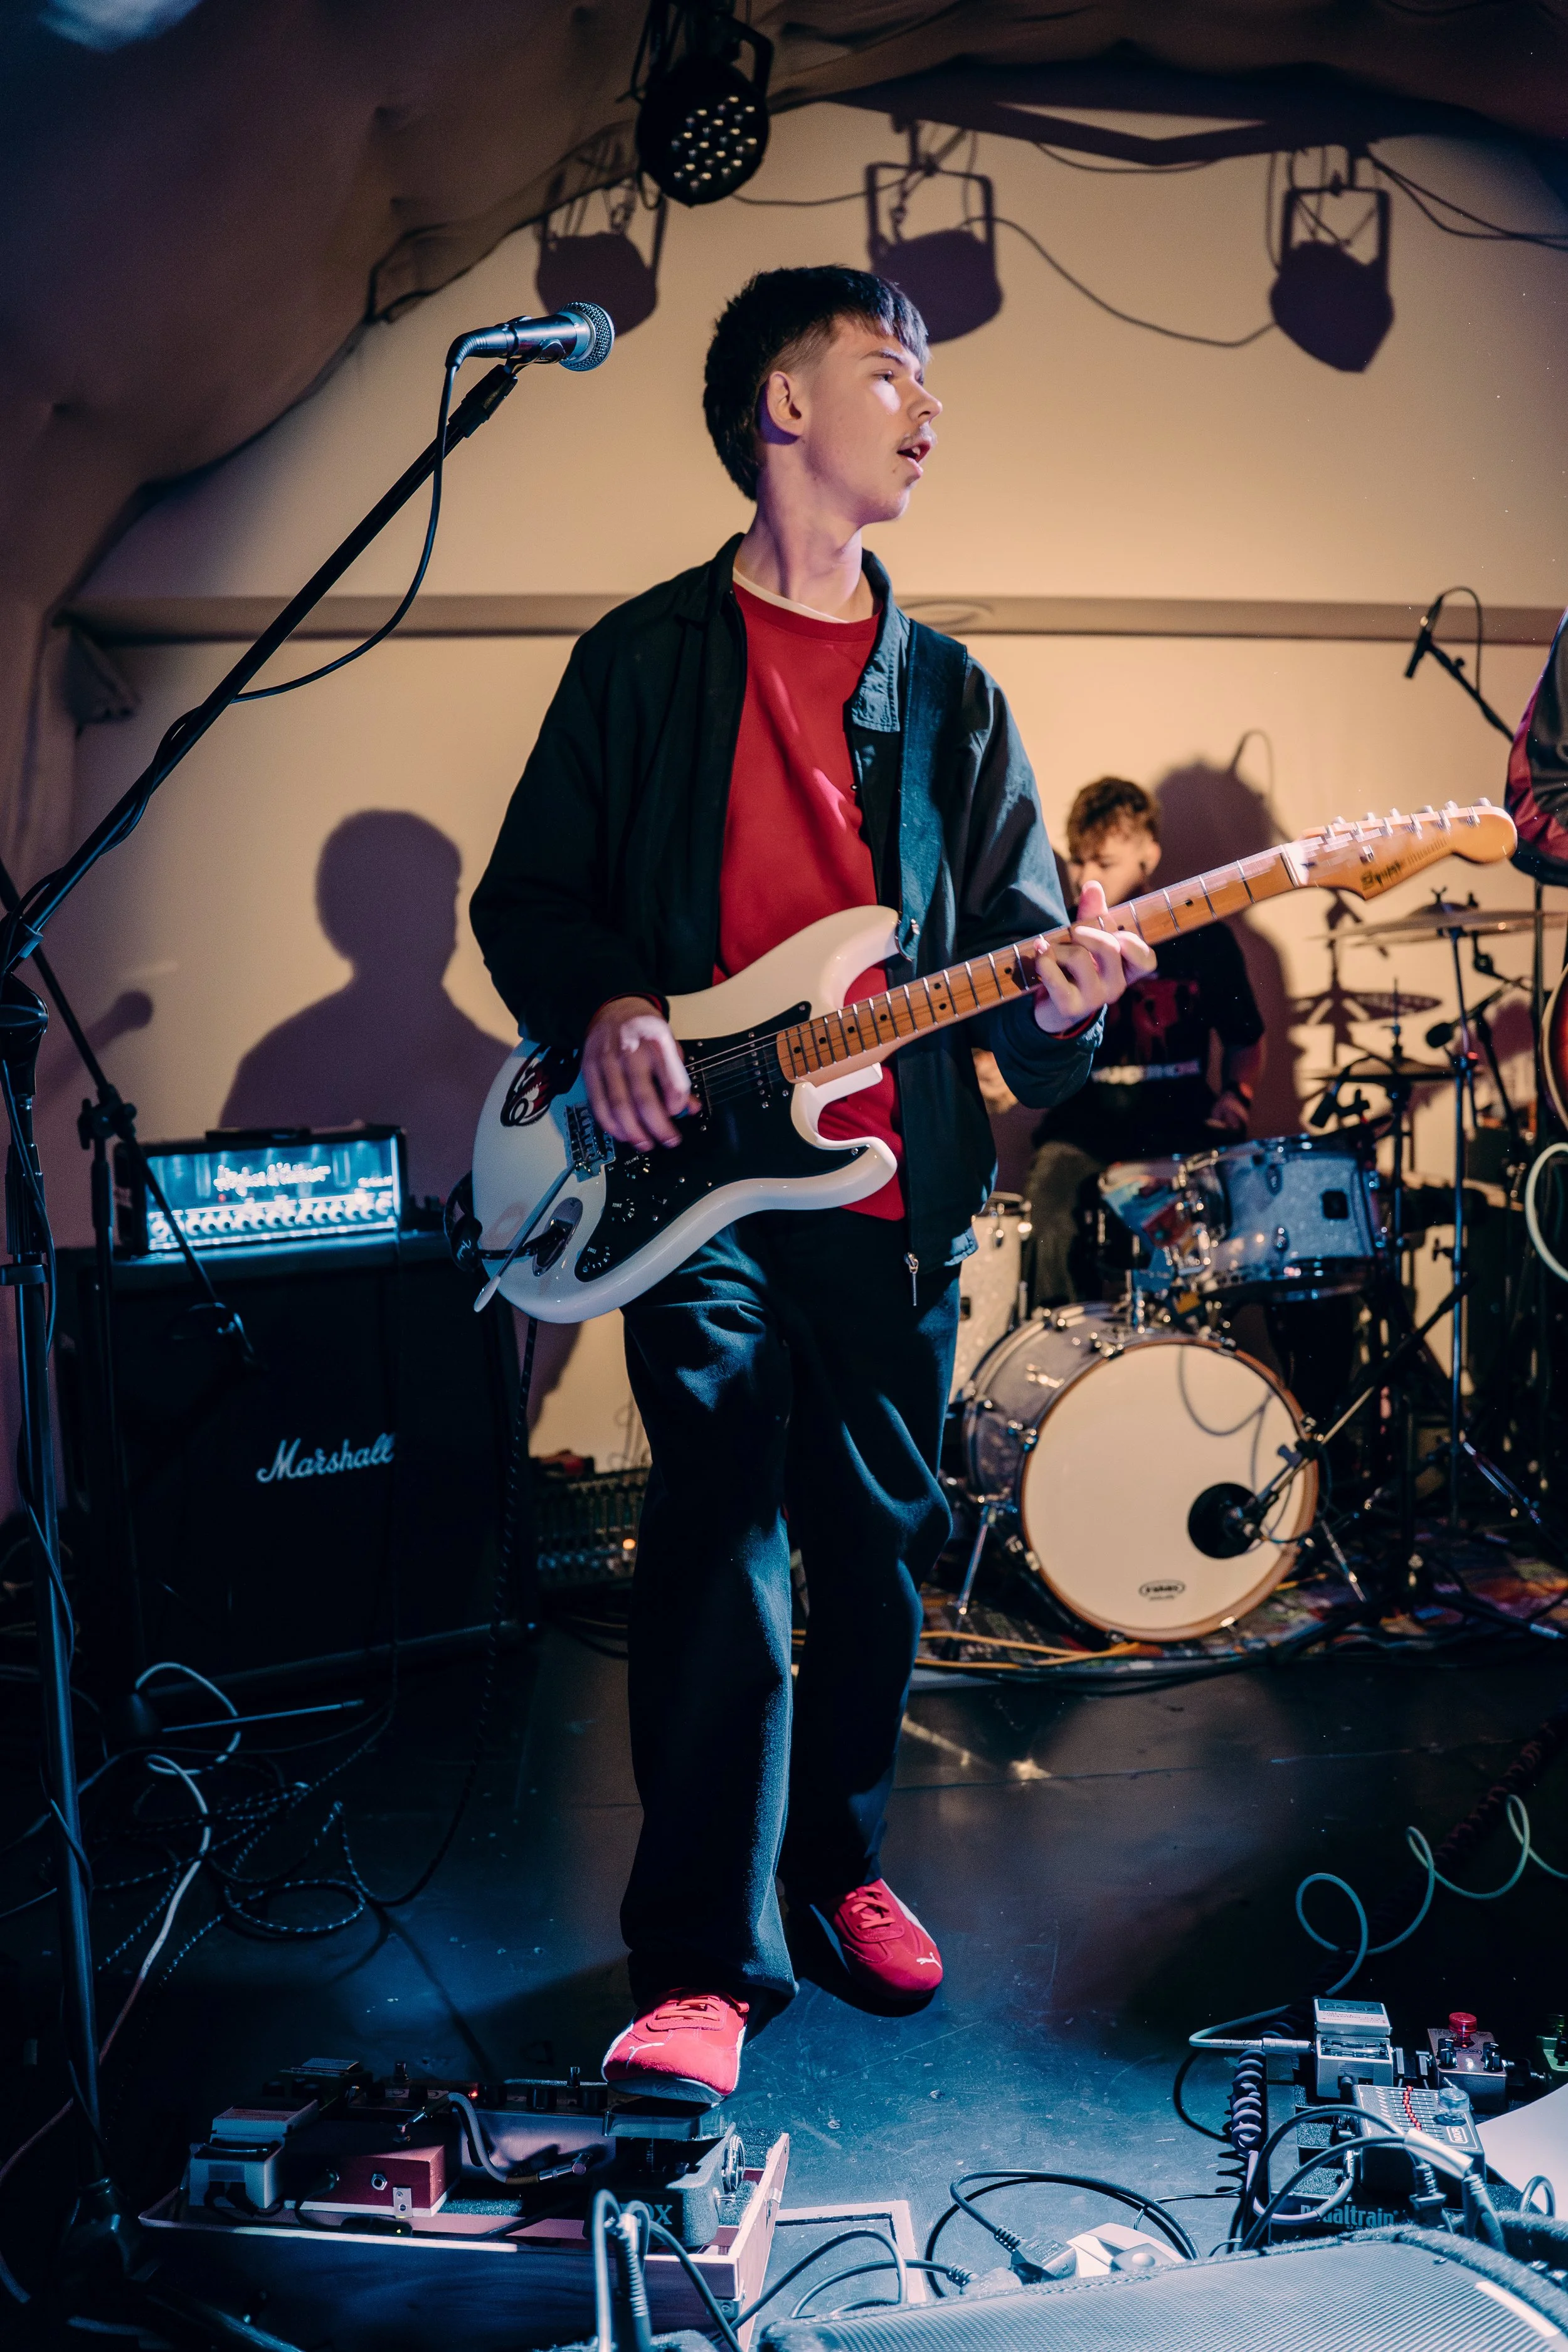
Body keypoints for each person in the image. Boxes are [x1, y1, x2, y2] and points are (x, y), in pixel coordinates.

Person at [470, 268, 1152, 2106]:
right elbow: (522, 896)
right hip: (697, 1192)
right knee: (715, 1539)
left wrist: (1072, 998)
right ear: (783, 402)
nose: (925, 411)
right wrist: (610, 1002)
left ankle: (837, 1855)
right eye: (886, 374)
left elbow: (1020, 974)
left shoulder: (954, 698)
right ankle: (698, 1959)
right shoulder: (637, 662)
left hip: (888, 1199)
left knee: (871, 1556)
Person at [1022, 778, 1265, 1304]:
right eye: (1079, 861)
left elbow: (1247, 1042)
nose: (1087, 878)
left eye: (1104, 864)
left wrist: (1236, 1096)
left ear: (1147, 855)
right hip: (1082, 1132)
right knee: (1049, 1227)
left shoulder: (1205, 937)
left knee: (1249, 1240)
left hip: (1185, 1132)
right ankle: (1068, 1374)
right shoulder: (1056, 939)